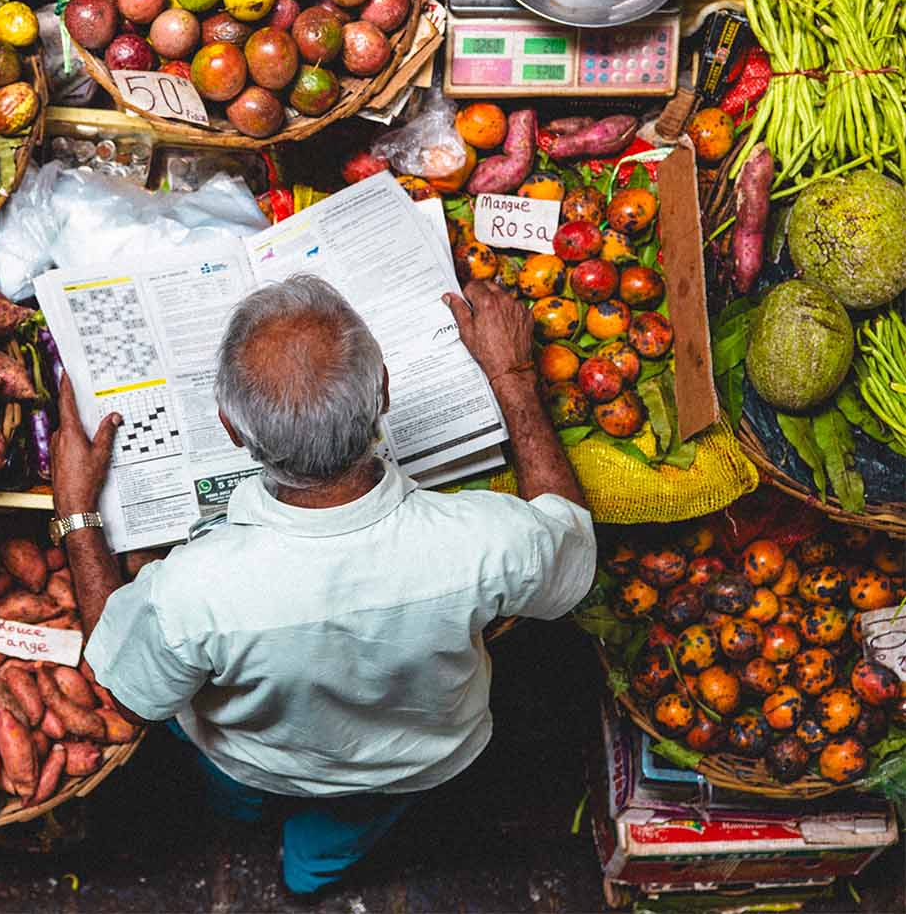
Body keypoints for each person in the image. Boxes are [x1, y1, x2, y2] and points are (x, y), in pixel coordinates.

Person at [49, 274, 595, 896]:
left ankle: (254, 822)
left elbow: (124, 687)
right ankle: (306, 879)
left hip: (249, 757)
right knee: (329, 847)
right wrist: (514, 377)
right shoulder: (489, 540)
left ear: (230, 429)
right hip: (410, 763)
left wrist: (77, 512)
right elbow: (571, 545)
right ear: (384, 392)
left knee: (237, 795)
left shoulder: (189, 590)